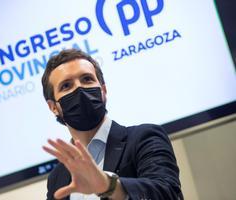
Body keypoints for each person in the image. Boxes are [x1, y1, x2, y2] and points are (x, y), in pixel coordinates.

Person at [42, 49, 183, 200]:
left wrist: (109, 186)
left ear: (103, 90)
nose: (79, 88)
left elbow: (168, 193)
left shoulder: (144, 137)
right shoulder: (57, 178)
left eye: (87, 79)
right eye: (66, 85)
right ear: (53, 107)